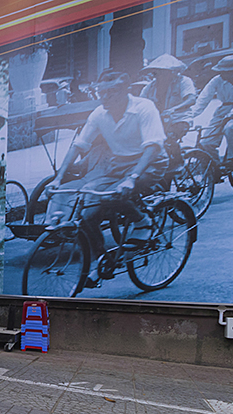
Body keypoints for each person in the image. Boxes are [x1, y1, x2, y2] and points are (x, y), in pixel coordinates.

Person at [45, 69, 168, 285]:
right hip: (118, 164)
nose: (105, 98)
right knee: (87, 210)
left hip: (149, 162)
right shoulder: (99, 114)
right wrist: (58, 178)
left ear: (125, 90)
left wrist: (132, 177)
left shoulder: (144, 108)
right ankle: (102, 259)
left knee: (113, 196)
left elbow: (153, 146)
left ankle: (143, 221)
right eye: (101, 93)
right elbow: (78, 145)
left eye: (112, 92)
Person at [189, 55, 233, 171]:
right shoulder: (216, 80)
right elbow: (203, 99)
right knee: (206, 141)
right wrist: (189, 116)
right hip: (223, 109)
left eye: (227, 72)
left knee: (230, 128)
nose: (223, 75)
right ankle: (215, 169)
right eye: (222, 72)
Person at [139, 54, 197, 141]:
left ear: (171, 72)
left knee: (170, 140)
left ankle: (175, 153)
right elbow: (140, 103)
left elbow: (191, 99)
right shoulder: (150, 87)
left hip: (179, 119)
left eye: (162, 72)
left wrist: (174, 109)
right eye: (156, 73)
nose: (158, 76)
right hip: (158, 121)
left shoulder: (184, 81)